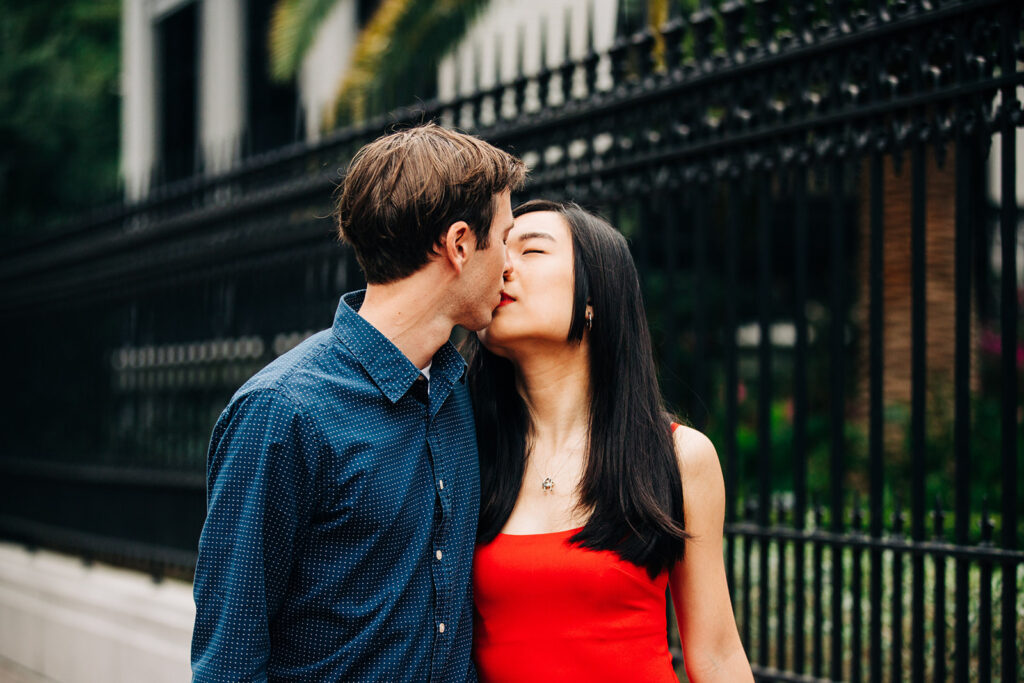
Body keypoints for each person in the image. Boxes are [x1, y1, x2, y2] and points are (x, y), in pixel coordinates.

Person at [191, 123, 526, 682]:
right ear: (461, 244)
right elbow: (230, 660)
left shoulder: (456, 393)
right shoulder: (281, 413)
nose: (510, 264)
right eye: (506, 238)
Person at [464, 200, 753, 682]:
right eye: (497, 249)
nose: (502, 267)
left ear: (595, 296)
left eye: (531, 251)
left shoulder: (680, 457)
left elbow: (717, 655)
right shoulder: (461, 452)